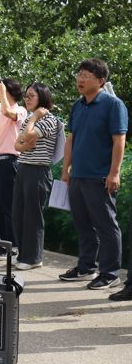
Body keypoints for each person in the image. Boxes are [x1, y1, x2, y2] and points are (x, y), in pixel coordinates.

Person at [59, 58, 128, 289]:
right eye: (79, 74)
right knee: (82, 224)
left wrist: (114, 173)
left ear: (100, 81)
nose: (80, 79)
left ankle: (110, 273)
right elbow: (71, 139)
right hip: (78, 175)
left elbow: (119, 140)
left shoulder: (113, 105)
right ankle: (86, 267)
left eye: (86, 76)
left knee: (106, 225)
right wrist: (66, 169)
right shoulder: (78, 106)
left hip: (100, 176)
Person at [12, 83, 61, 270]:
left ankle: (33, 258)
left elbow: (27, 136)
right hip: (23, 167)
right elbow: (17, 144)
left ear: (42, 97)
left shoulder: (49, 119)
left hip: (38, 171)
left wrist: (32, 120)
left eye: (31, 95)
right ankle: (23, 254)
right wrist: (25, 141)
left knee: (32, 216)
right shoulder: (30, 118)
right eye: (26, 96)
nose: (27, 99)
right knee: (18, 214)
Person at [0, 79, 27, 258]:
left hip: (8, 161)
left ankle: (13, 244)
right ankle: (2, 243)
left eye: (2, 91)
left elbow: (10, 113)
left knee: (9, 205)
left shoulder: (20, 110)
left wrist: (1, 94)